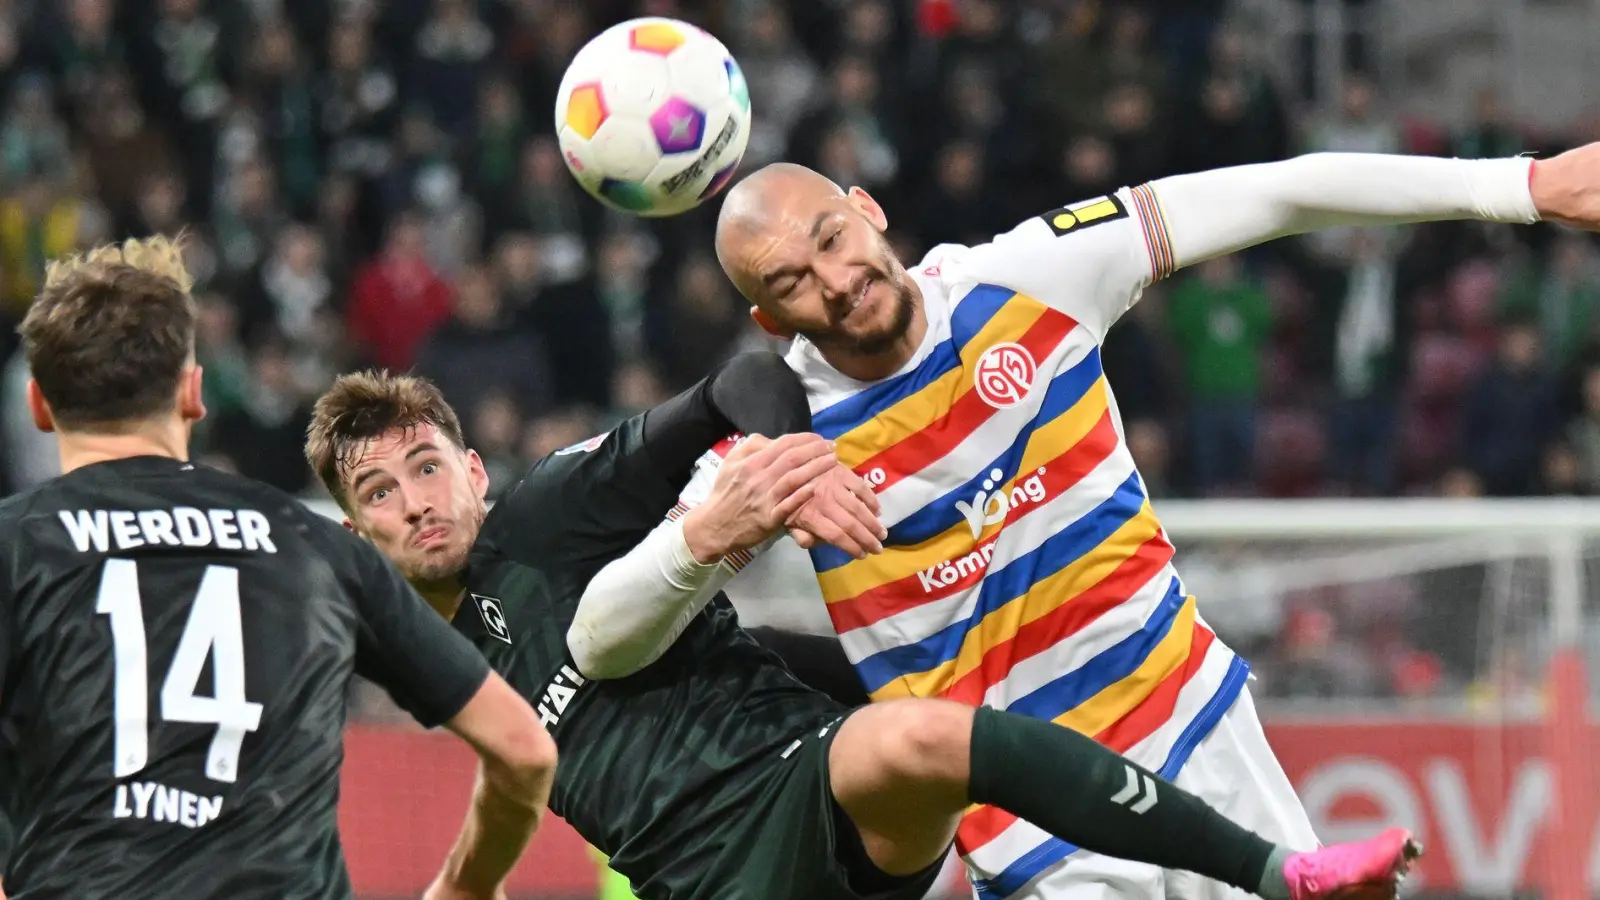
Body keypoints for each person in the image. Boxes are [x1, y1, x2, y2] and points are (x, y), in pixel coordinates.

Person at [705, 146, 1600, 899]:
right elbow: (594, 587)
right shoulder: (774, 442)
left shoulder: (1026, 279)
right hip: (1037, 823)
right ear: (768, 315)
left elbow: (1274, 191)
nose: (837, 280)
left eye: (833, 237)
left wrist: (1520, 187)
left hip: (1198, 727)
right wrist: (710, 530)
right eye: (793, 280)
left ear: (867, 209)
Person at [304, 357, 1420, 900]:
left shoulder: (553, 509)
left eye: (426, 467)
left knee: (923, 740)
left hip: (802, 783)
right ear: (359, 532)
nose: (416, 501)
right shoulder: (411, 656)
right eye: (381, 494)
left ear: (474, 470)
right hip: (697, 880)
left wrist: (799, 460)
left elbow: (741, 379)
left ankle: (1279, 874)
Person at [0, 237, 558, 900]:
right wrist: (468, 885)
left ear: (39, 405)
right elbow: (525, 749)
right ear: (192, 393)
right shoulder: (313, 545)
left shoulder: (16, 546)